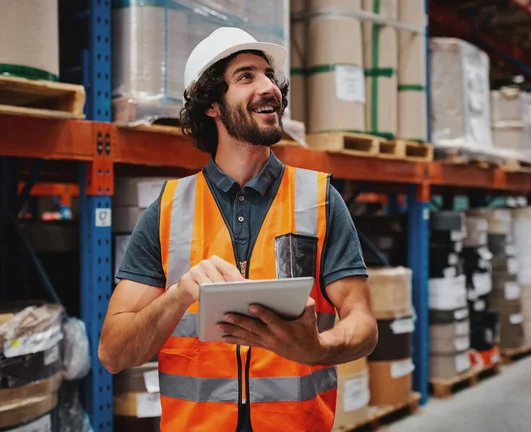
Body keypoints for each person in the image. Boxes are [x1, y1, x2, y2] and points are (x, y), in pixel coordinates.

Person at [98, 27, 378, 432]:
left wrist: (319, 347)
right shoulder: (170, 208)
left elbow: (363, 322)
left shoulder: (318, 198)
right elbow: (113, 351)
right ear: (212, 104)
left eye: (269, 76)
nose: (269, 88)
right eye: (247, 76)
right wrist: (178, 296)